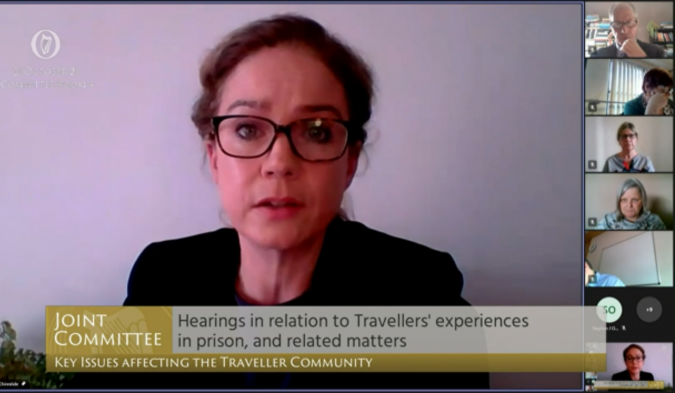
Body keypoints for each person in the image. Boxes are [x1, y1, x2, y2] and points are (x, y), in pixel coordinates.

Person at [64, 14, 490, 390]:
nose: (279, 163)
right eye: (248, 129)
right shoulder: (162, 278)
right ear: (214, 156)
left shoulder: (423, 298)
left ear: (350, 161)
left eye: (317, 130)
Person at [590, 2, 667, 58]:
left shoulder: (658, 53)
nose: (624, 31)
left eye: (629, 22)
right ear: (611, 27)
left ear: (637, 23)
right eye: (617, 24)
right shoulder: (597, 55)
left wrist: (641, 57)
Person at [595, 178, 666, 230]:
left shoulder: (655, 221)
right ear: (619, 202)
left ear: (643, 201)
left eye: (634, 200)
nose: (629, 205)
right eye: (624, 200)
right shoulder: (607, 221)